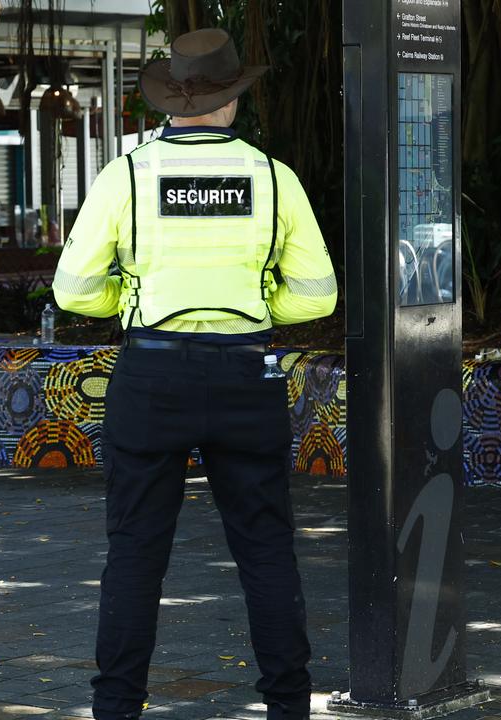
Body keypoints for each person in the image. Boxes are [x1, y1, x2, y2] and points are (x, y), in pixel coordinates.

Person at [53, 29, 336, 720]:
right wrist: (259, 303)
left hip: (151, 376)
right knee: (265, 548)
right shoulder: (274, 178)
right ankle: (288, 707)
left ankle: (117, 708)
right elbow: (318, 295)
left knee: (135, 554)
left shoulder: (126, 176)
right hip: (247, 374)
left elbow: (73, 288)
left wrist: (129, 300)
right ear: (231, 99)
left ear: (172, 101)